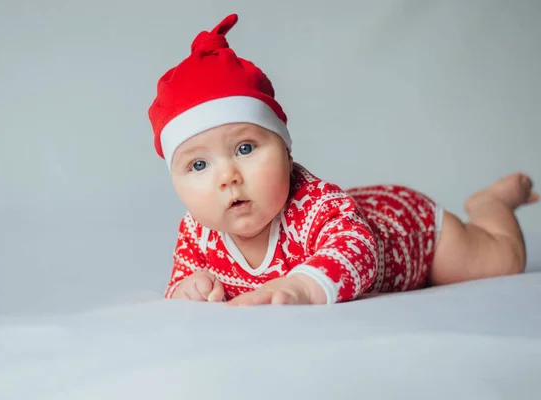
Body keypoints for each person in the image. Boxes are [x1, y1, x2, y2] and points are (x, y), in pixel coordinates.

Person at [147, 14, 539, 306]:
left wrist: (303, 285)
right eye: (199, 165)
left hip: (412, 232)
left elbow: (357, 248)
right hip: (368, 206)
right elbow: (181, 277)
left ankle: (491, 206)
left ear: (286, 149)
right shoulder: (197, 232)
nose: (228, 177)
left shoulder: (316, 205)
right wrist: (189, 287)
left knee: (500, 261)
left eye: (245, 148)